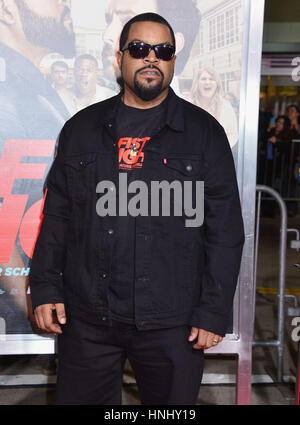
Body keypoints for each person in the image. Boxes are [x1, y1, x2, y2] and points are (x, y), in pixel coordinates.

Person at [29, 13, 244, 405]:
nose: (151, 58)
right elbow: (57, 215)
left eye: (163, 51)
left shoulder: (204, 133)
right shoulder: (80, 129)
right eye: (140, 49)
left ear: (174, 60)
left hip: (173, 323)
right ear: (120, 56)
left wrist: (213, 311)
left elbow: (225, 232)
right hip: (88, 319)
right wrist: (44, 287)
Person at [0, 0, 76, 333]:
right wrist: (29, 306)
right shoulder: (9, 93)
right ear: (6, 10)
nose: (64, 5)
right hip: (26, 307)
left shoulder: (29, 83)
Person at [102, 0, 200, 96]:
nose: (106, 36)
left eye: (127, 21)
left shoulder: (189, 112)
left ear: (174, 45)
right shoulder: (96, 110)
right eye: (108, 21)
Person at [189, 67, 239, 151]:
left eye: (211, 79)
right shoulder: (188, 106)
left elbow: (233, 134)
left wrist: (219, 148)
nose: (207, 82)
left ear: (217, 84)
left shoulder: (226, 107)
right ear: (197, 83)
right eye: (203, 79)